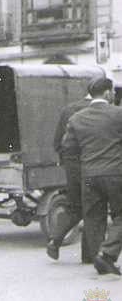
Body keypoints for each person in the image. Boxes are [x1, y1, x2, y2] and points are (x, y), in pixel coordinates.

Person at [62, 78, 122, 275]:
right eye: (112, 91)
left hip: (88, 175)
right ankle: (107, 255)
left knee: (94, 217)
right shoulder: (118, 114)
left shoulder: (76, 119)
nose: (114, 94)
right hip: (115, 173)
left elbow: (68, 148)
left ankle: (98, 256)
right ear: (106, 93)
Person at [46, 86, 92, 262]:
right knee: (93, 209)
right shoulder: (103, 112)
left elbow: (57, 143)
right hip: (93, 167)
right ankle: (88, 255)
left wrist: (69, 163)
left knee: (75, 208)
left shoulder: (69, 110)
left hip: (73, 169)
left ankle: (55, 240)